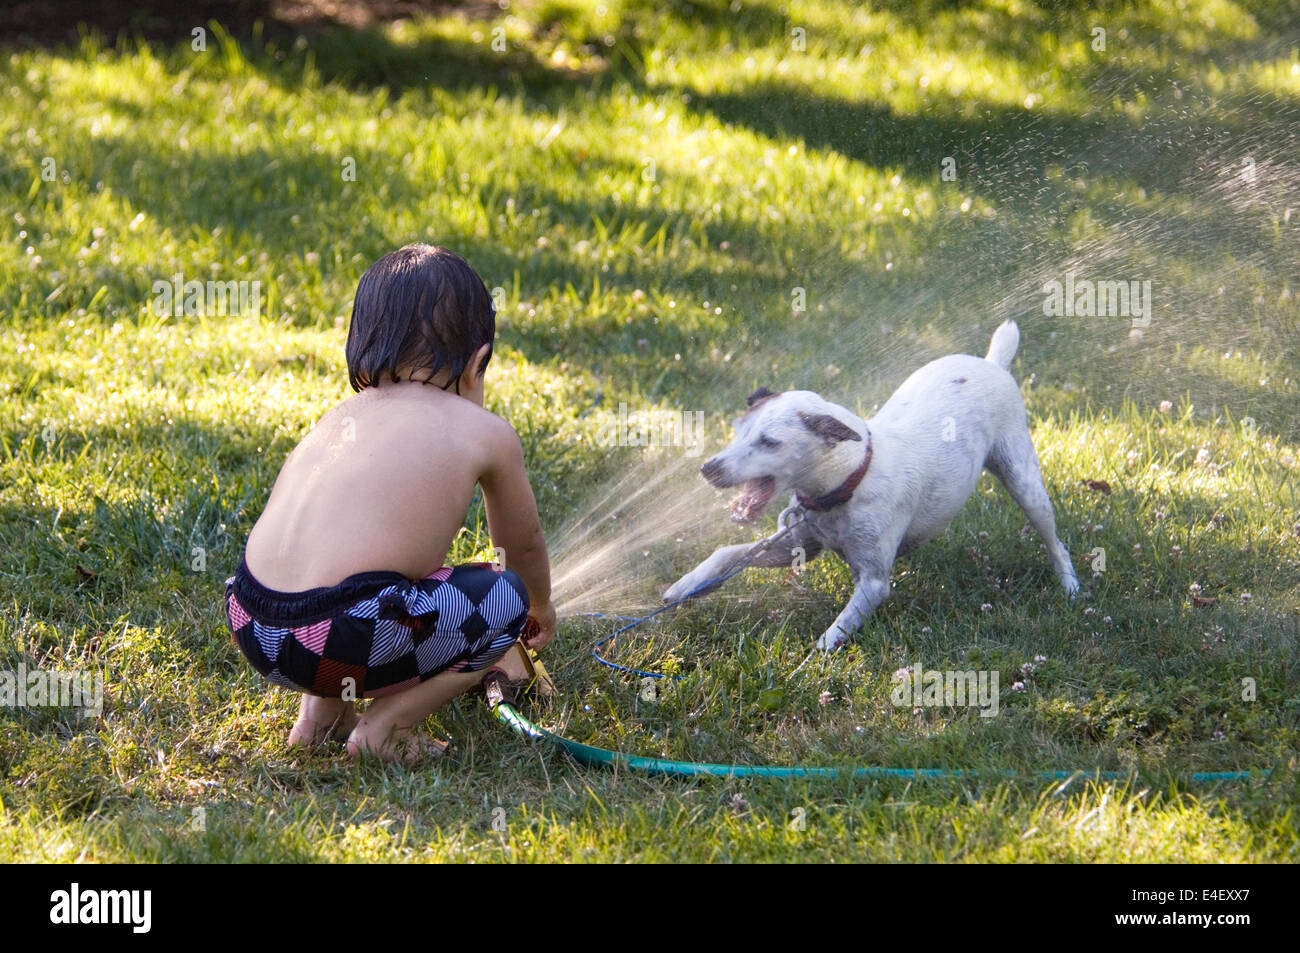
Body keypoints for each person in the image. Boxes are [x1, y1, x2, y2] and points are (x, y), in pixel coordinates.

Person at [224, 244, 556, 764]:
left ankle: (319, 719)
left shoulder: (340, 417)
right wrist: (537, 609)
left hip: (253, 621)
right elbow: (521, 544)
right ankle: (387, 728)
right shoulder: (485, 432)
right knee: (500, 594)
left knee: (350, 586)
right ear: (478, 363)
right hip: (341, 633)